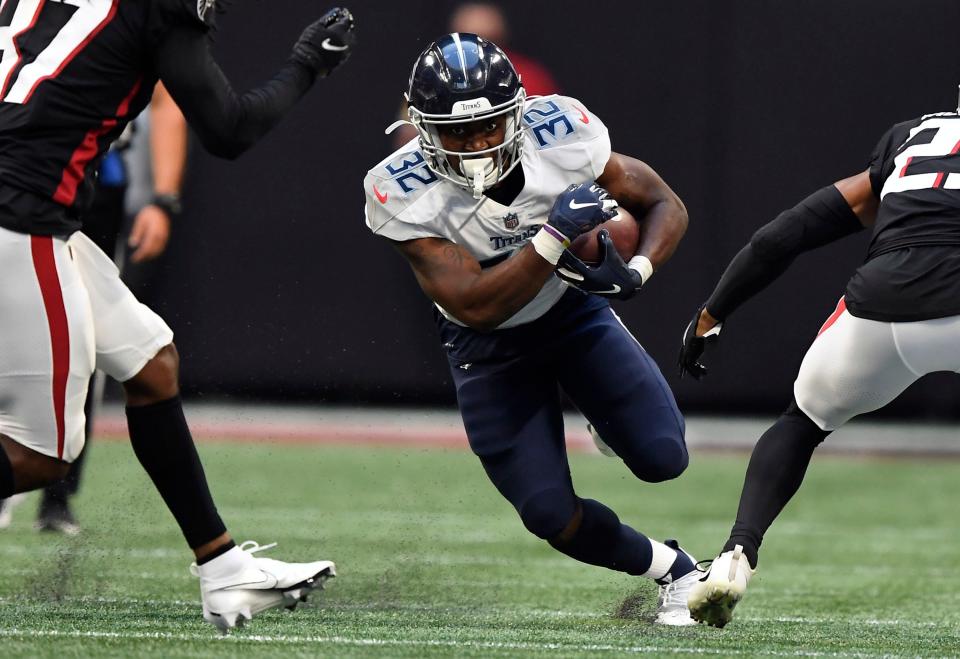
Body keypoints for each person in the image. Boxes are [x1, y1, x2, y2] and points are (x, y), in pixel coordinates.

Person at [0, 0, 355, 632]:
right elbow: (229, 130)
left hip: (33, 211)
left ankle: (223, 573)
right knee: (42, 456)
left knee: (151, 362)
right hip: (21, 218)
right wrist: (308, 66)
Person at [365, 33, 697, 625]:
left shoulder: (563, 131)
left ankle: (596, 406)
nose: (475, 144)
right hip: (487, 349)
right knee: (549, 515)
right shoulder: (399, 189)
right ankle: (672, 569)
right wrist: (552, 237)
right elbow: (476, 305)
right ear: (421, 128)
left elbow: (664, 202)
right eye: (456, 131)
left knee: (664, 458)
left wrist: (636, 271)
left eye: (490, 126)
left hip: (572, 313)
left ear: (518, 112)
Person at [679, 102, 960, 627]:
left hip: (883, 307)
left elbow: (787, 233)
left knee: (802, 421)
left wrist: (712, 314)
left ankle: (736, 554)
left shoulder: (913, 137)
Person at [16, 83, 188, 535]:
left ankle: (57, 488)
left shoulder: (126, 19)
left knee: (90, 338)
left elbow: (171, 96)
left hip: (84, 186)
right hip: (20, 183)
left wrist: (163, 198)